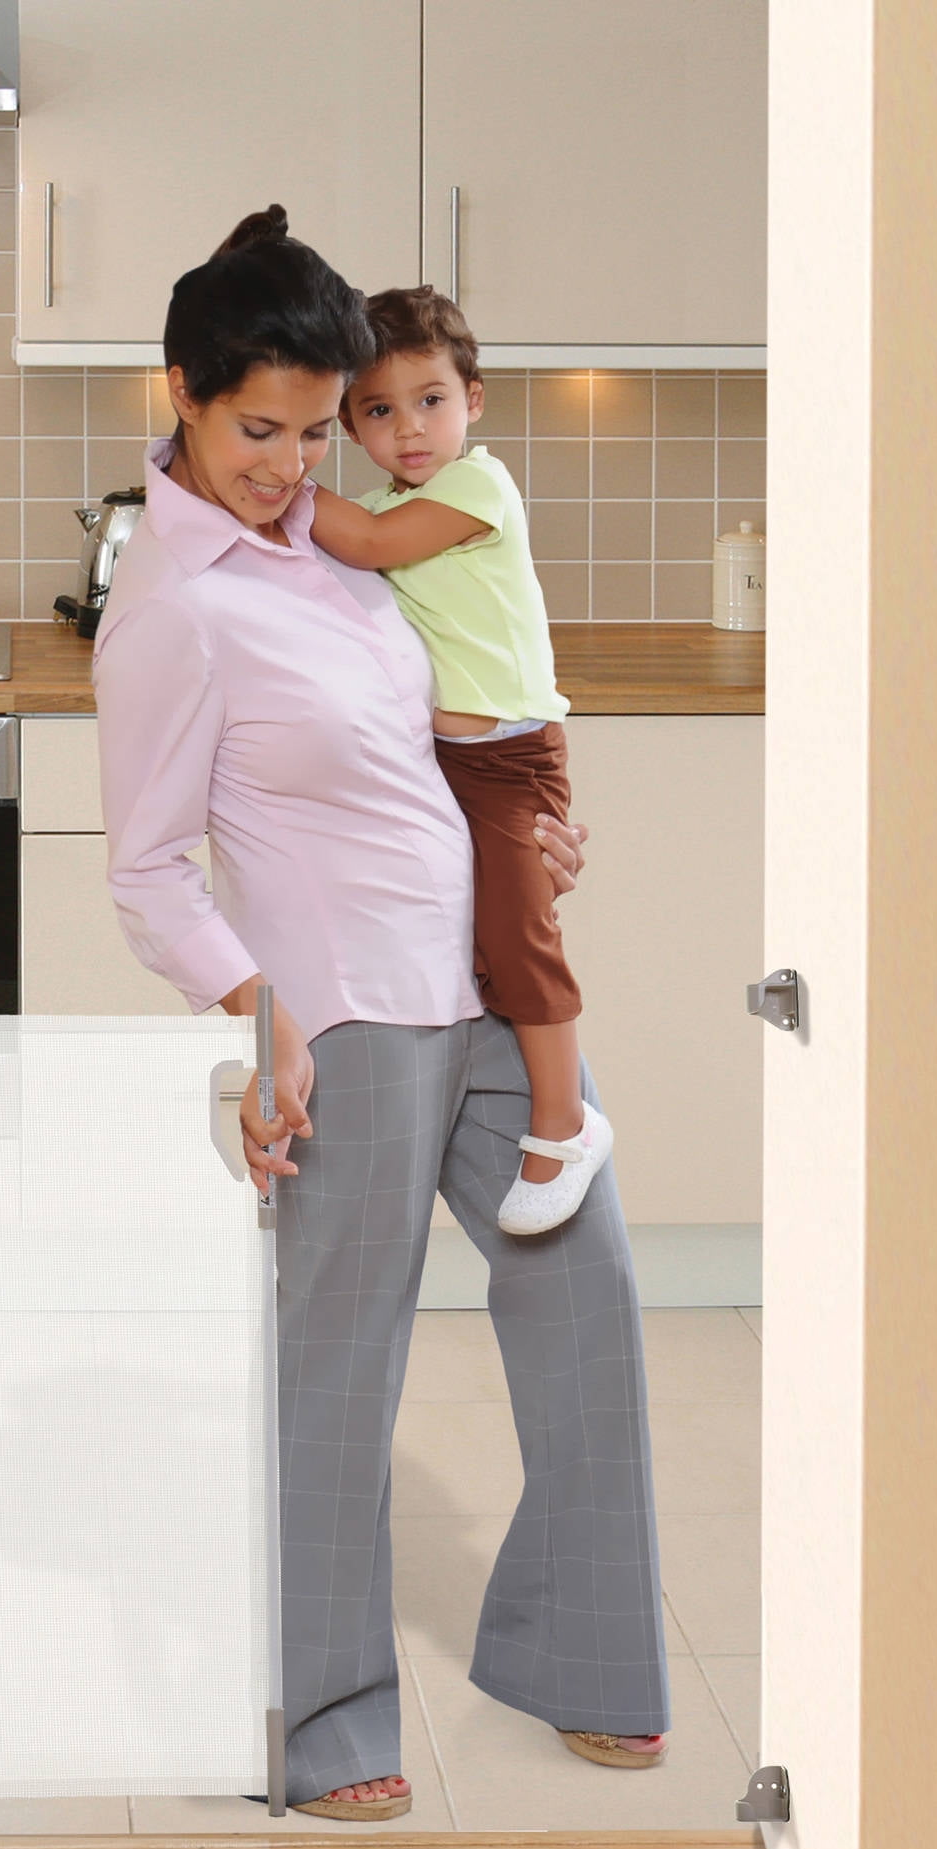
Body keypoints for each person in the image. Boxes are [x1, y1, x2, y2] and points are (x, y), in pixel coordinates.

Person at [93, 207, 671, 1821]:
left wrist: (545, 833)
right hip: (347, 1016)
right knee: (342, 1374)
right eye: (255, 431)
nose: (286, 465)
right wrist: (254, 1000)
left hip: (484, 982)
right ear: (186, 399)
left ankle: (578, 1650)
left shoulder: (345, 544)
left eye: (307, 428)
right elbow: (146, 873)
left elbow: (455, 730)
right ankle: (327, 1719)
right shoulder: (174, 605)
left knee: (592, 1293)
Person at [309, 286, 607, 1235]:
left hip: (514, 761)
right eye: (380, 410)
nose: (409, 429)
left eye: (430, 400)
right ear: (353, 424)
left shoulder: (476, 487)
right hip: (453, 766)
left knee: (520, 935)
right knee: (478, 935)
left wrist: (278, 480)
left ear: (472, 399)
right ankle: (512, 1101)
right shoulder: (387, 498)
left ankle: (564, 1120)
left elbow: (365, 543)